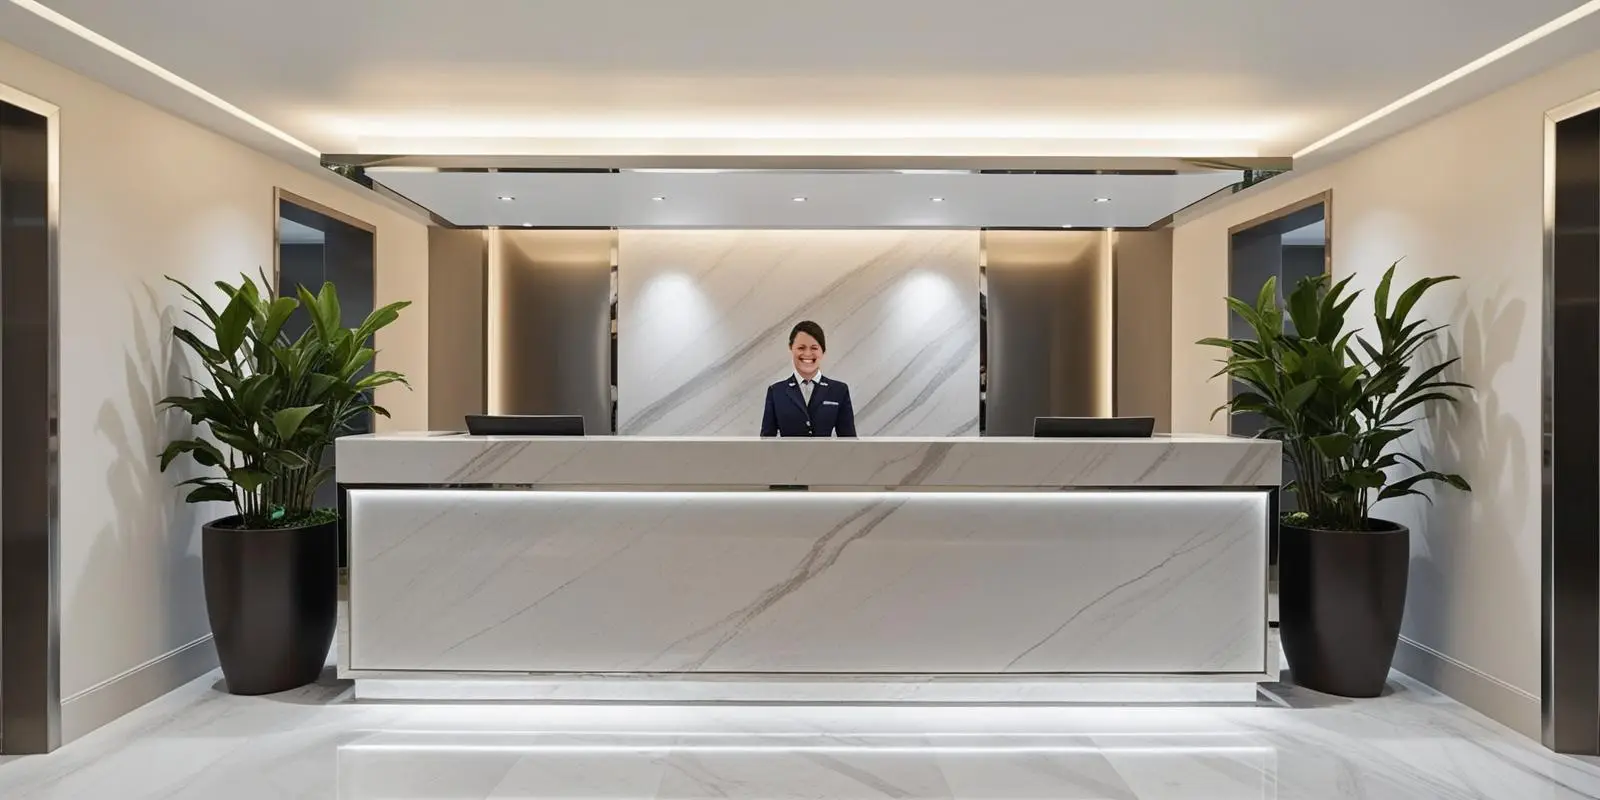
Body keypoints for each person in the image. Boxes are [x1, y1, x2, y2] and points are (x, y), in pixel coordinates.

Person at [760, 320, 857, 437]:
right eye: (801, 348)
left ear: (823, 351)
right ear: (791, 348)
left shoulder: (839, 390)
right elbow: (766, 442)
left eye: (814, 348)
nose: (807, 353)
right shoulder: (776, 391)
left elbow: (849, 442)